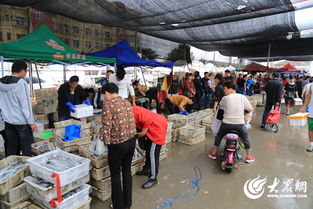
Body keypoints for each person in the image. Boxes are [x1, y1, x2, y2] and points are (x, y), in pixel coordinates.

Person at [100, 83, 136, 209]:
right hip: (131, 141)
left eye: (104, 95)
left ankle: (118, 205)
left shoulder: (108, 105)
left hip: (118, 145)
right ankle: (127, 202)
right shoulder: (126, 102)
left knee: (115, 175)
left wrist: (102, 141)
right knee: (126, 171)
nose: (104, 98)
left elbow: (106, 128)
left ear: (107, 93)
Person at [208, 81, 255, 163]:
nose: (224, 91)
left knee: (218, 136)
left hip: (226, 124)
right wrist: (244, 114)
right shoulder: (242, 97)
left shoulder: (225, 98)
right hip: (239, 125)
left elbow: (221, 109)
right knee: (246, 138)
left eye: (225, 89)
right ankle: (249, 156)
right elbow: (250, 109)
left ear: (230, 89)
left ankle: (213, 153)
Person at [0, 61, 38, 156]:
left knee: (11, 146)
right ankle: (25, 166)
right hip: (21, 122)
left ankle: (11, 165)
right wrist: (31, 123)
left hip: (8, 121)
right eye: (26, 71)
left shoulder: (1, 82)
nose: (26, 73)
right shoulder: (21, 83)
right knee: (26, 147)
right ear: (22, 71)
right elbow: (25, 105)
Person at [132, 106, 167, 189]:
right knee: (148, 149)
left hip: (157, 128)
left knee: (153, 154)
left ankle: (153, 178)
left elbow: (147, 120)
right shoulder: (128, 112)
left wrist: (143, 132)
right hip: (151, 128)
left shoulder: (132, 111)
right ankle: (146, 169)